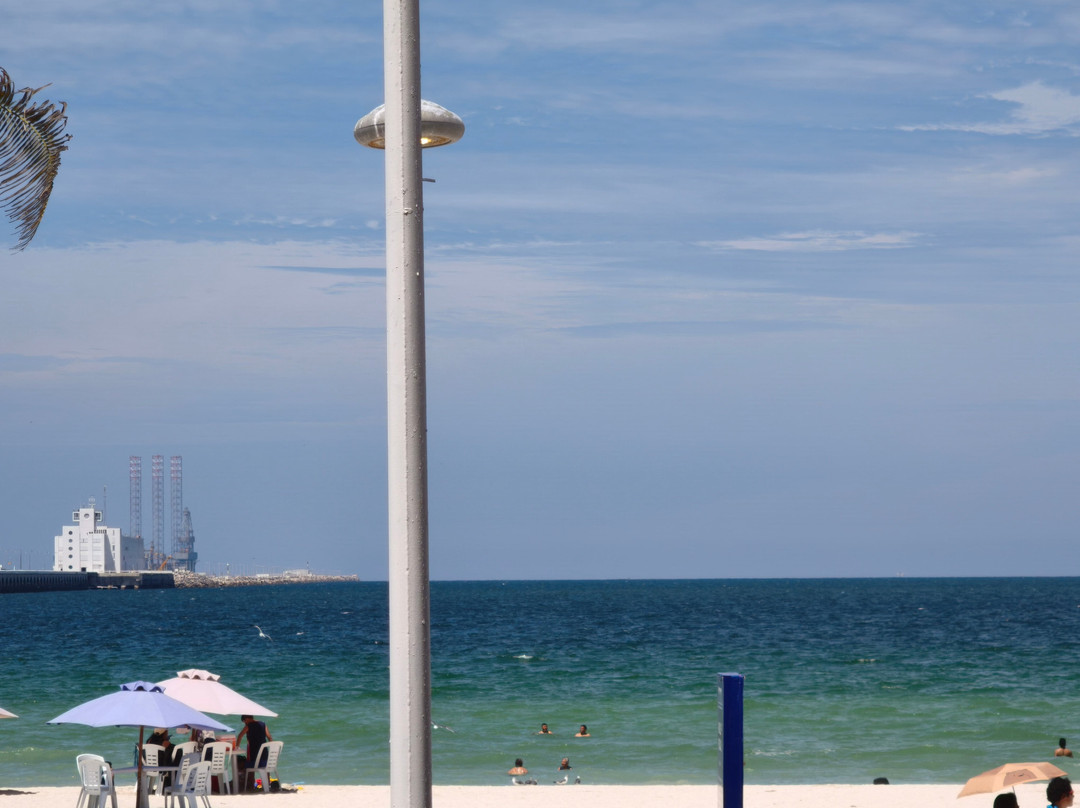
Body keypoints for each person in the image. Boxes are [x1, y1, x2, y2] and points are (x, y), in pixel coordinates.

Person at [237, 714, 273, 790]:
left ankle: (251, 785)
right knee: (265, 765)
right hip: (265, 758)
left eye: (244, 721)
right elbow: (269, 737)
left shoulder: (248, 726)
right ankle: (267, 785)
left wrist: (237, 747)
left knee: (243, 763)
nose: (245, 723)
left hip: (255, 760)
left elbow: (240, 736)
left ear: (246, 719)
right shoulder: (263, 724)